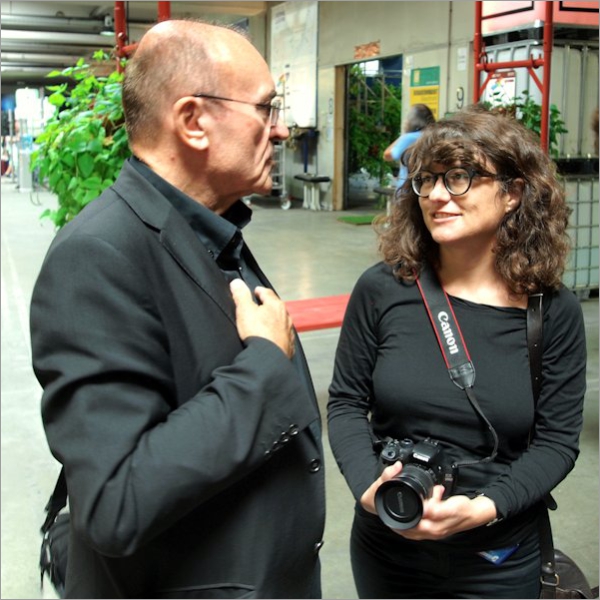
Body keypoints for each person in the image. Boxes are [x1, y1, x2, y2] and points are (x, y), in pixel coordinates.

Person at [30, 20, 325, 599]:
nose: (282, 129)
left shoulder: (207, 229)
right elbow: (117, 503)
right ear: (193, 121)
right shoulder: (97, 256)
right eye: (266, 109)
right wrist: (264, 364)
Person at [328, 105, 587, 599]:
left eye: (461, 178)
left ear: (512, 193)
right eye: (427, 180)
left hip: (497, 556)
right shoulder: (383, 289)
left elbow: (556, 442)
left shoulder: (551, 312)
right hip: (389, 540)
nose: (438, 196)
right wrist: (367, 488)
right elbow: (344, 404)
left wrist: (486, 506)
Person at [383, 103, 435, 189]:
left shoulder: (408, 138)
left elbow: (387, 155)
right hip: (428, 185)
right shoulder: (434, 135)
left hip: (407, 188)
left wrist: (403, 136)